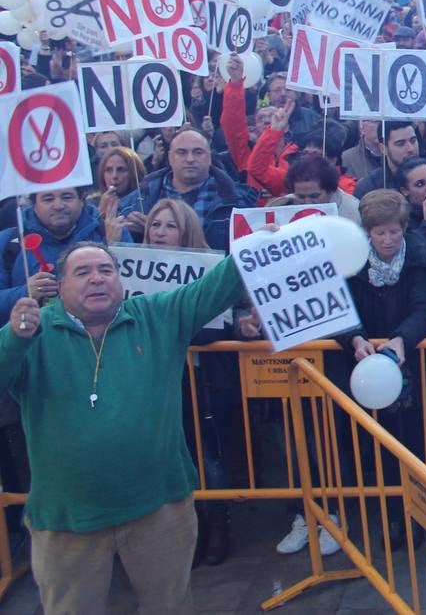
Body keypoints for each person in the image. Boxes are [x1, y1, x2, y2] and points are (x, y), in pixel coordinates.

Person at [1, 242, 246, 614]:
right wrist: (14, 340)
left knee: (171, 606)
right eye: (82, 273)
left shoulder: (156, 316)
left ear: (120, 280)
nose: (97, 279)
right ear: (59, 285)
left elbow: (215, 288)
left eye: (106, 270)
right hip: (68, 519)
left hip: (160, 510)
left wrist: (256, 245)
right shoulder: (33, 332)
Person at [139, 199, 241, 566]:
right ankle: (187, 529)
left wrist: (176, 331)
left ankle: (218, 526)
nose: (161, 233)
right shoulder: (133, 270)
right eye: (155, 225)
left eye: (169, 226)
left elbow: (220, 326)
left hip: (205, 383)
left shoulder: (210, 267)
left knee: (209, 458)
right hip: (158, 384)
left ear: (186, 229)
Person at [337, 190, 426, 549]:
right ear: (367, 232)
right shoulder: (350, 262)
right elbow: (340, 308)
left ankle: (419, 516)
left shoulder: (420, 259)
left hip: (410, 365)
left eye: (394, 232)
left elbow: (425, 308)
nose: (387, 240)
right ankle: (393, 515)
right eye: (379, 233)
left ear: (404, 228)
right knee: (376, 445)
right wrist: (354, 339)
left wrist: (401, 340)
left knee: (416, 444)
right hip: (364, 367)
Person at [119, 127, 259, 251]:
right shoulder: (137, 201)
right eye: (182, 152)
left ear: (209, 157)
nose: (190, 159)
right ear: (170, 157)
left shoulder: (237, 203)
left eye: (198, 152)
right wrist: (127, 230)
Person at [0, 188, 106, 317]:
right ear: (34, 204)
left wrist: (115, 247)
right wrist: (25, 292)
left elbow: (130, 292)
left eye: (67, 197)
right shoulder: (6, 241)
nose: (58, 206)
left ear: (82, 199)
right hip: (30, 335)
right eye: (48, 199)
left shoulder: (108, 233)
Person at [354, 121, 421, 199]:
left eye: (413, 141)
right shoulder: (369, 188)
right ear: (383, 148)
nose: (411, 149)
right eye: (400, 144)